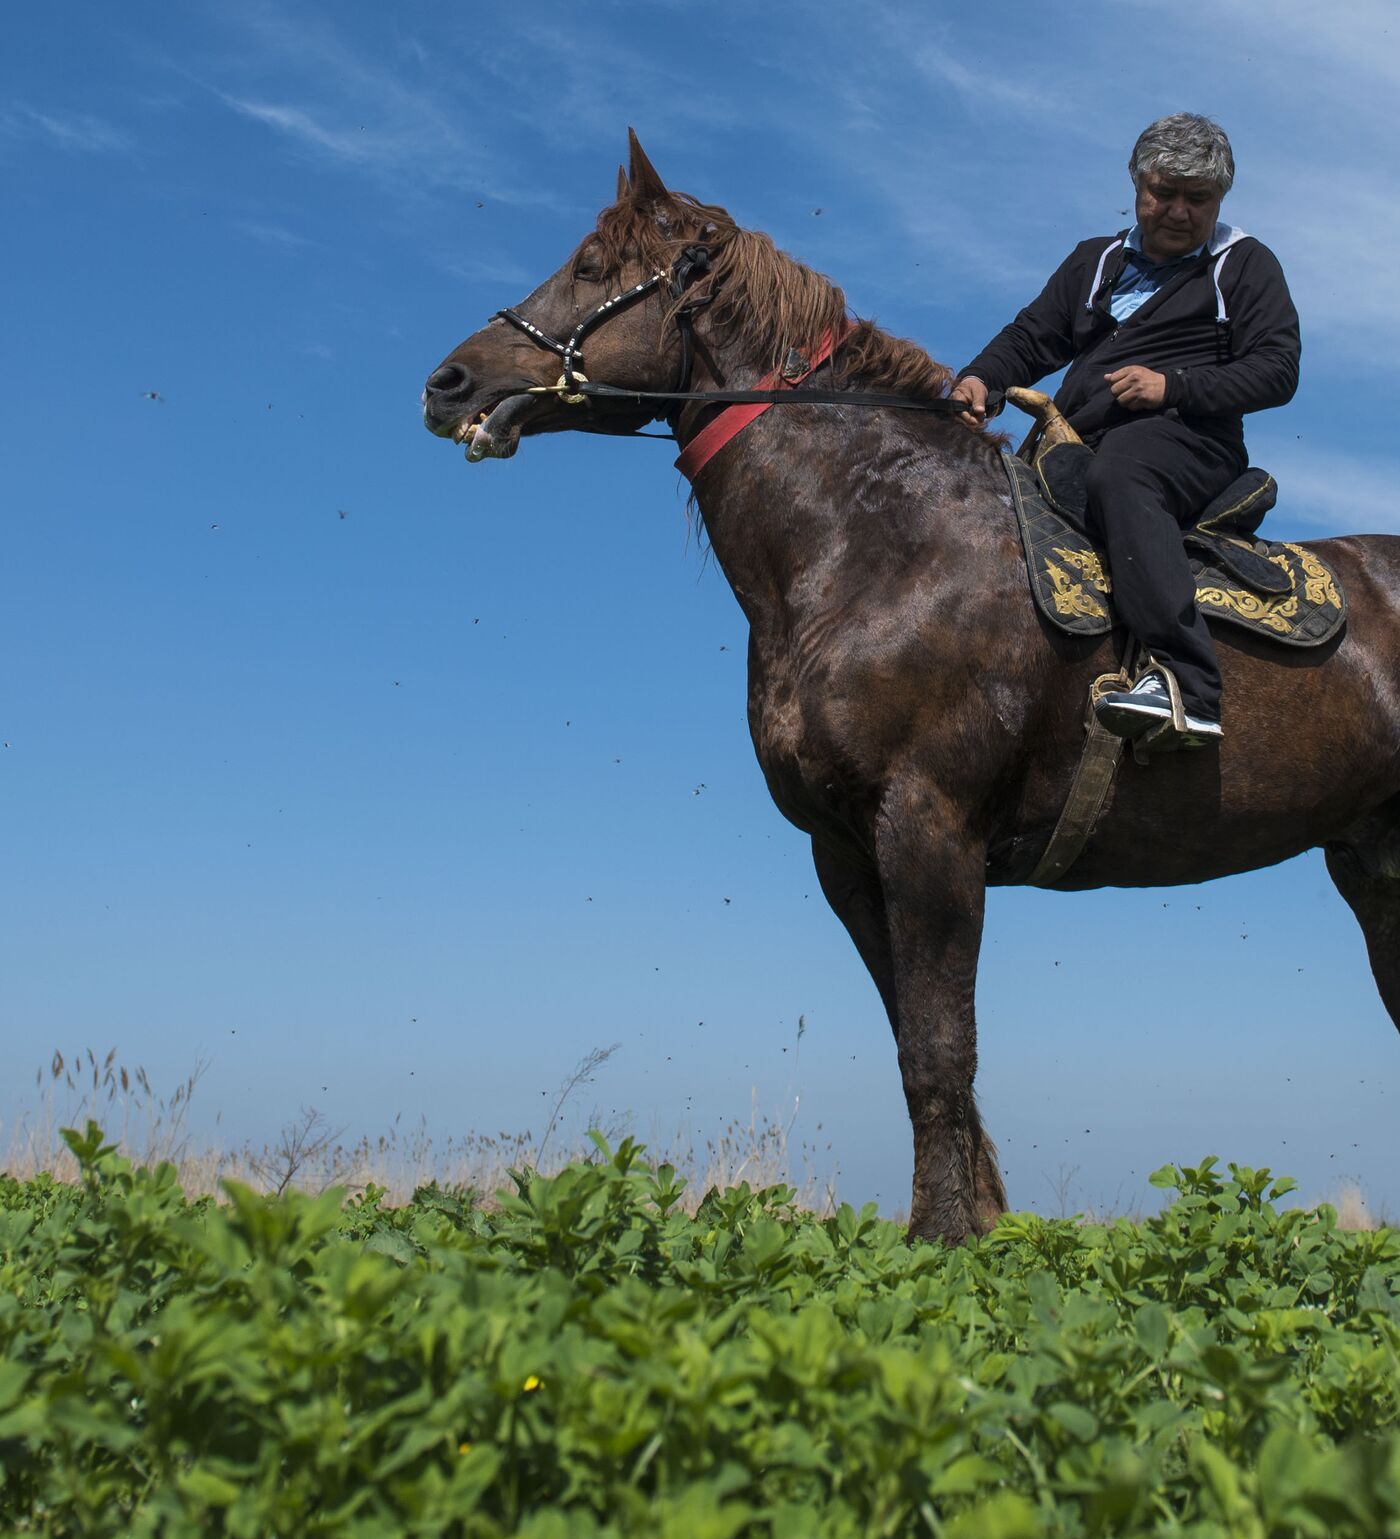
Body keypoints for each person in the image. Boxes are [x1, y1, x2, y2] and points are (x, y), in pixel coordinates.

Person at [951, 114, 1300, 743]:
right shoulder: (1095, 260)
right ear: (1137, 184)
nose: (1177, 211)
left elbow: (1278, 370)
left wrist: (1176, 386)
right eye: (1163, 193)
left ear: (1219, 200)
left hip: (1190, 441)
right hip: (1076, 443)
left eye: (1198, 199)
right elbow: (1033, 336)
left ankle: (1186, 686)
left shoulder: (1243, 265)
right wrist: (981, 380)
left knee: (1123, 470)